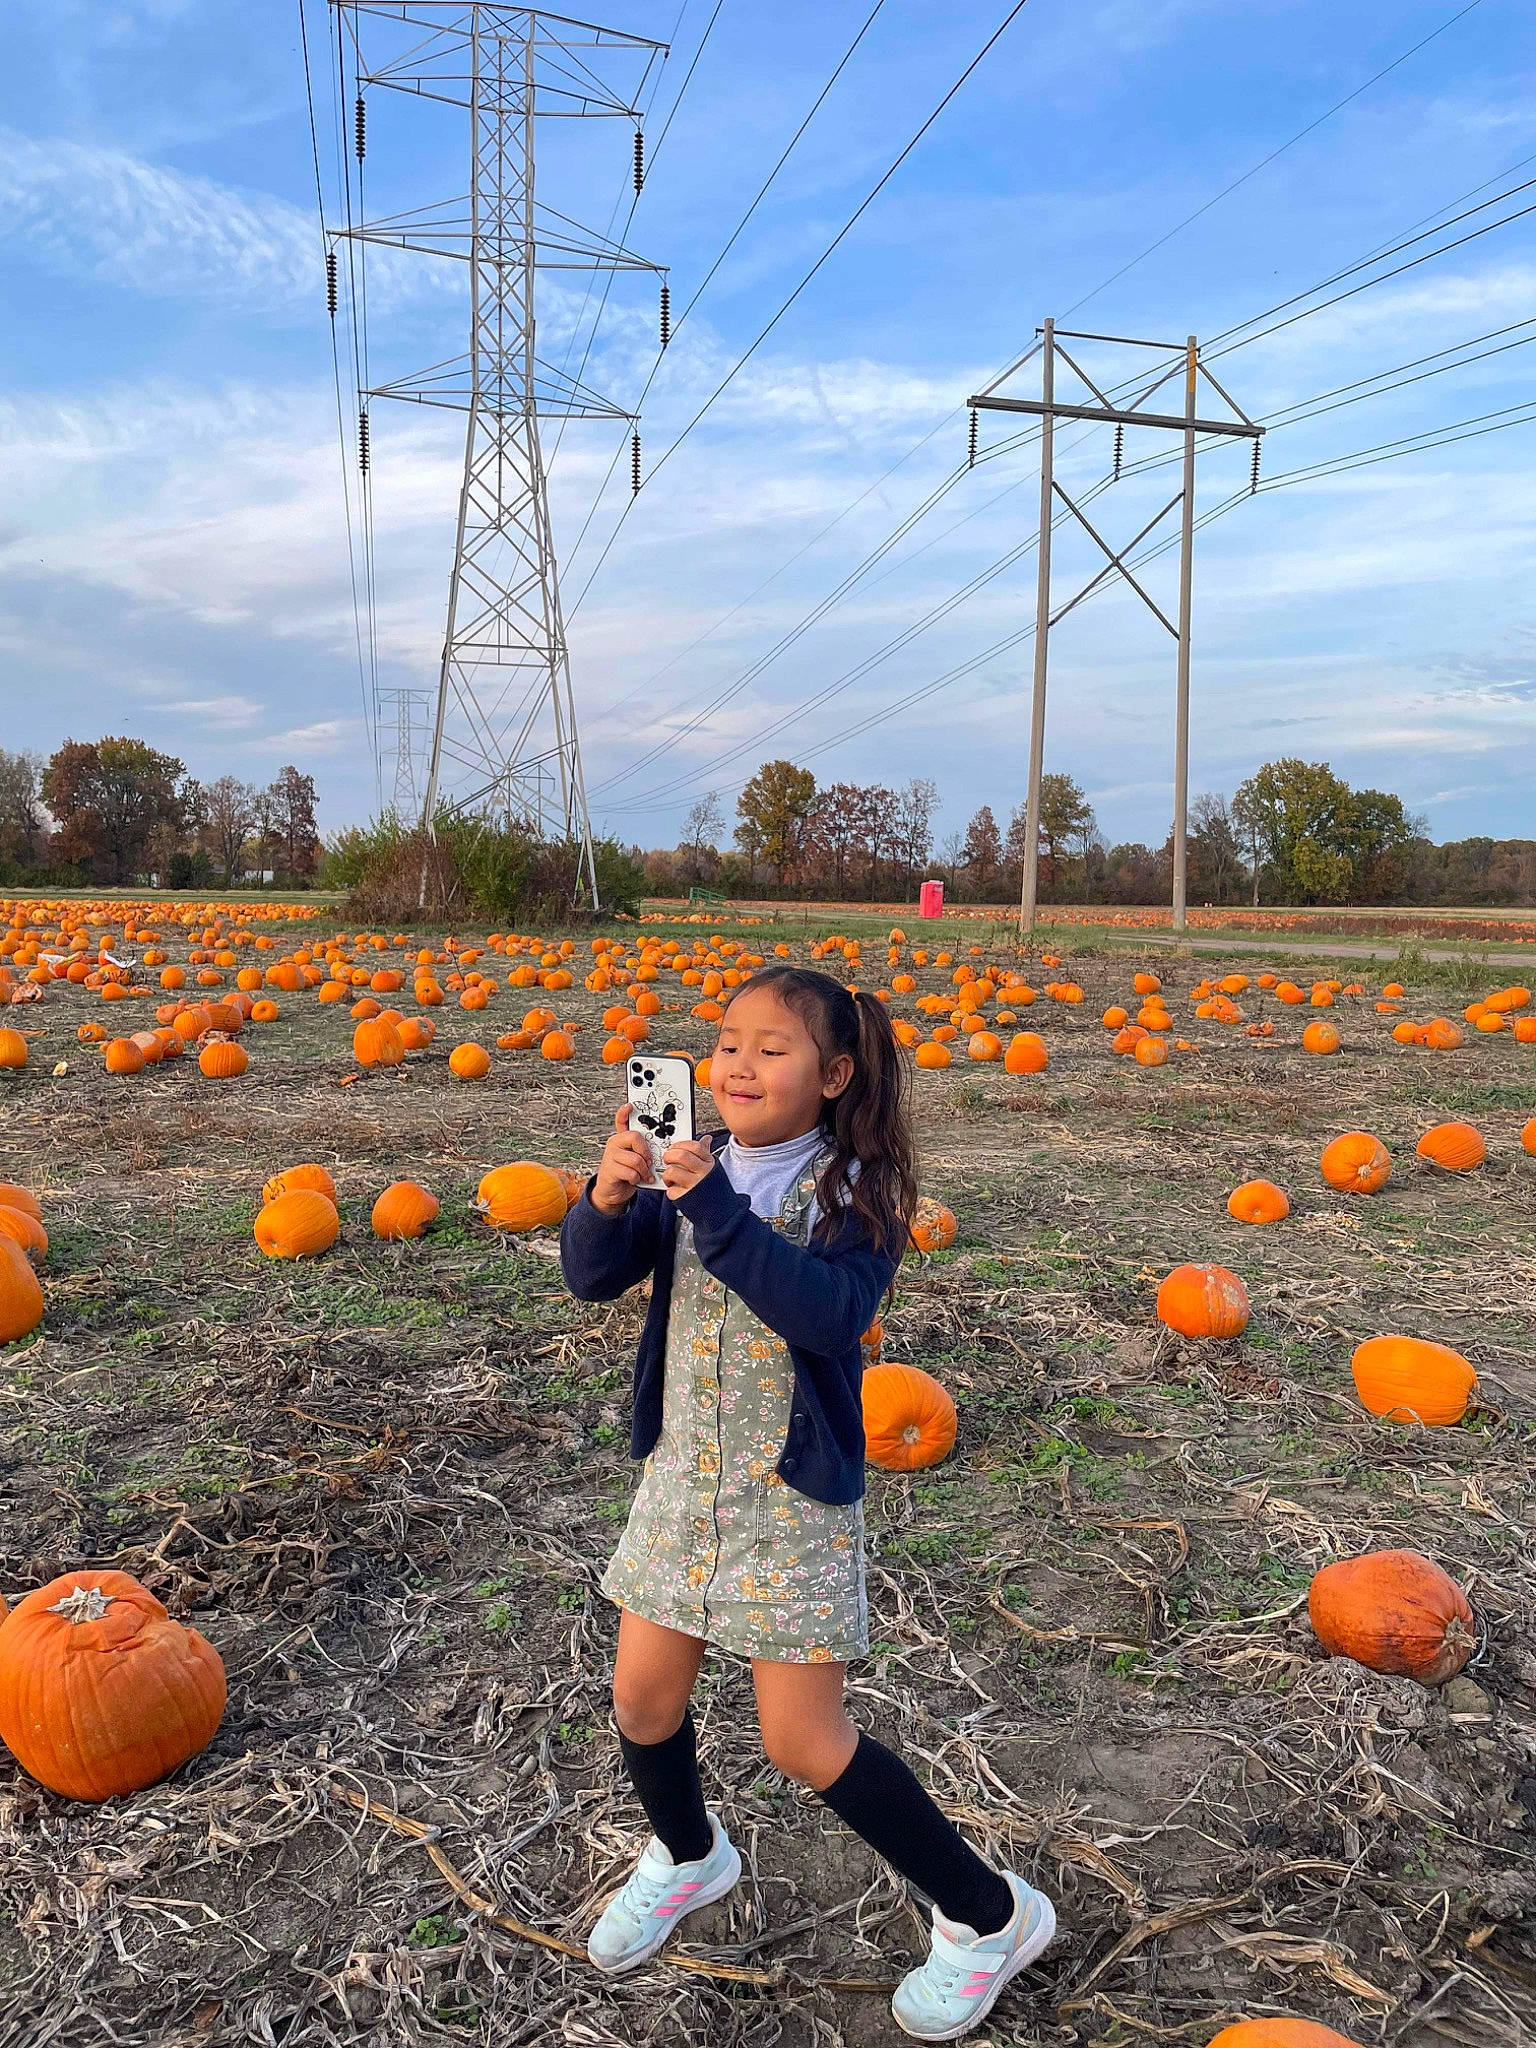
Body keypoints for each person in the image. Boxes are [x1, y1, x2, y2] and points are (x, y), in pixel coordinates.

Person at [560, 964, 1056, 2040]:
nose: (737, 1062)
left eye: (770, 1046)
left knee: (802, 1740)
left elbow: (828, 1316)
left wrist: (716, 1209)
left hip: (790, 1501)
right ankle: (691, 1854)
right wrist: (605, 1200)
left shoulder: (854, 1193)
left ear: (832, 1074)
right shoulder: (685, 1164)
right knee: (642, 1700)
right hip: (681, 1486)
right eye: (726, 1040)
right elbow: (594, 1279)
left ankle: (990, 1913)